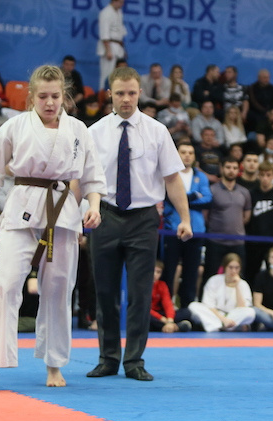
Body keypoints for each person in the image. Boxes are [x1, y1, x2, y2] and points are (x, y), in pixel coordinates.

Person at [0, 65, 106, 387]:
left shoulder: (78, 129)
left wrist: (94, 206)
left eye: (55, 96)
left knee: (59, 289)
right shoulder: (14, 127)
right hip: (21, 207)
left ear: (64, 96)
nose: (50, 102)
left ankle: (54, 364)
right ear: (31, 96)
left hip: (62, 211)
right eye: (43, 96)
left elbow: (93, 176)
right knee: (6, 284)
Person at [87, 66, 192, 382]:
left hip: (144, 218)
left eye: (132, 93)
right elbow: (84, 179)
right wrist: (78, 214)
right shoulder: (95, 132)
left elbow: (172, 178)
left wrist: (185, 218)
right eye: (120, 93)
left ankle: (134, 360)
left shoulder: (157, 131)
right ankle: (108, 358)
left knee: (140, 293)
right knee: (105, 292)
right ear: (110, 94)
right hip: (105, 214)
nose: (126, 99)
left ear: (140, 93)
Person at [161, 142, 211, 309]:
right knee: (169, 270)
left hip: (196, 230)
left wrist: (181, 199)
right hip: (172, 229)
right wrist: (193, 196)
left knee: (191, 271)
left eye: (190, 152)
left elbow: (208, 199)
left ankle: (187, 308)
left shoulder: (200, 176)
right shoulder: (169, 174)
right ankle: (166, 307)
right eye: (183, 152)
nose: (187, 155)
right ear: (177, 154)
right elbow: (166, 198)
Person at [202, 156, 251, 289]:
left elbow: (246, 216)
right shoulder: (212, 190)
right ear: (221, 169)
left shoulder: (244, 192)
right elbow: (205, 216)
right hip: (215, 241)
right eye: (228, 167)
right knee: (210, 275)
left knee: (239, 277)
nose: (231, 170)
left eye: (234, 168)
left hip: (237, 242)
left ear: (238, 170)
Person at [245, 161, 273, 287]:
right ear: (258, 175)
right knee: (250, 274)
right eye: (262, 175)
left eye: (268, 175)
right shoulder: (251, 194)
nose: (265, 178)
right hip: (253, 242)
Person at [189, 253, 255, 332]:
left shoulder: (243, 284)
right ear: (225, 267)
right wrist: (223, 320)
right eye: (230, 267)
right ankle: (221, 325)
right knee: (193, 306)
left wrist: (237, 286)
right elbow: (209, 305)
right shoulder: (214, 280)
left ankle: (218, 326)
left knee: (250, 312)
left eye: (237, 268)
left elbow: (242, 308)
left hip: (233, 316)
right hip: (215, 315)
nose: (233, 271)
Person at [149, 261, 192, 333]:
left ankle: (167, 327)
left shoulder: (162, 285)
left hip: (161, 315)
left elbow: (168, 304)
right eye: (153, 271)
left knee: (186, 312)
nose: (155, 274)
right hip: (151, 315)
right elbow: (145, 308)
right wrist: (163, 319)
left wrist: (170, 320)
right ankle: (176, 327)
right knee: (144, 316)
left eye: (158, 272)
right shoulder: (142, 285)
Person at [97, 0, 127, 90]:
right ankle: (103, 93)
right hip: (109, 45)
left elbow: (120, 31)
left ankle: (116, 92)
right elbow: (104, 32)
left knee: (119, 73)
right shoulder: (106, 12)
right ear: (114, 1)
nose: (122, 4)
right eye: (120, 2)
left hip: (118, 45)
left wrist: (123, 49)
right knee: (107, 73)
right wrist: (108, 50)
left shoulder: (119, 12)